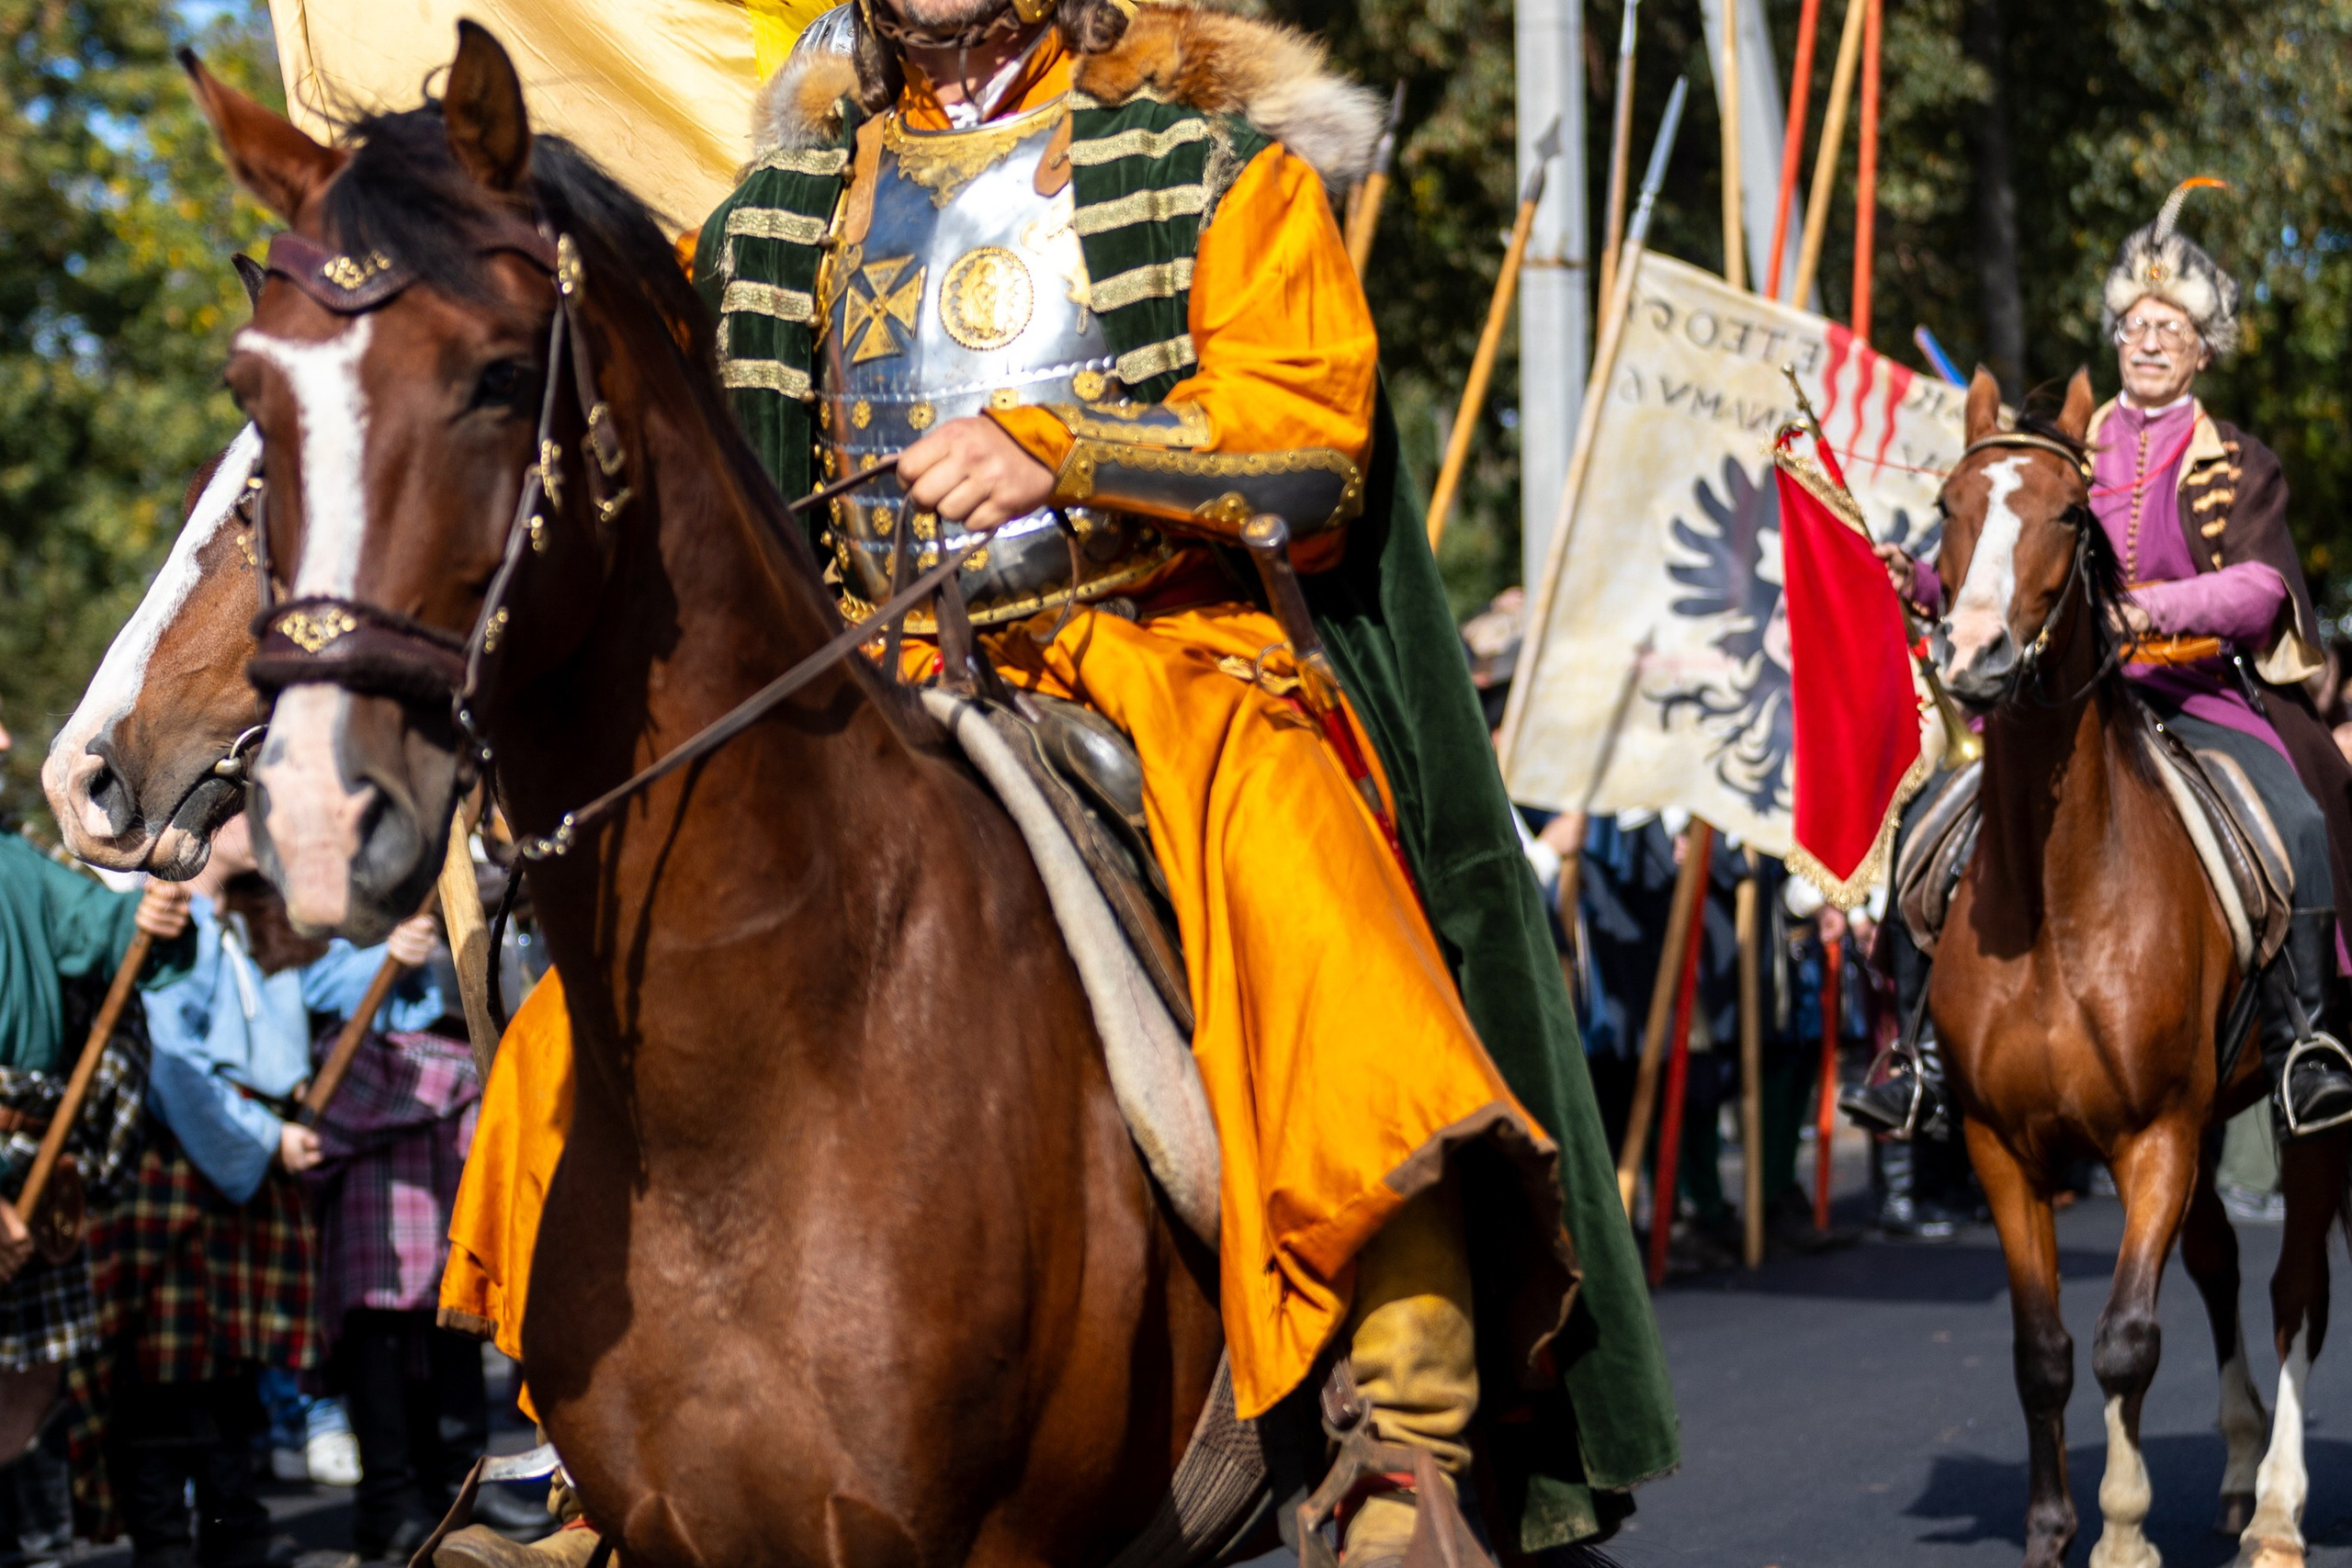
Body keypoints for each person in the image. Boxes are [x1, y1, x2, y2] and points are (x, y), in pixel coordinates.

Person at [435, 4, 1678, 1564]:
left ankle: (1400, 1423)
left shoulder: (1206, 173)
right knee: (610, 1002)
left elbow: (1311, 462)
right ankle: (591, 1457)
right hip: (862, 676)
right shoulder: (770, 224)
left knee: (1319, 903)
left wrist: (1062, 448)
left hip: (1150, 649)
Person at [1857, 179, 2352, 1138]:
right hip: (2069, 703)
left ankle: (2303, 1043)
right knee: (1921, 822)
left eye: (2172, 325)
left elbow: (2259, 592)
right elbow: (2000, 564)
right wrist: (1920, 582)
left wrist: (2150, 609)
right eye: (2136, 323)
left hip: (2195, 695)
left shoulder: (2238, 460)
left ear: (2201, 349)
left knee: (2295, 817)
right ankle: (1912, 1055)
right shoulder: (2057, 460)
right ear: (2118, 341)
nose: (2151, 338)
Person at [94, 813, 436, 1568]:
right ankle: (166, 1548)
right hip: (183, 1160)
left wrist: (398, 950)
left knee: (231, 1368)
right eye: (240, 807)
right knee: (162, 1371)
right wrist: (262, 1139)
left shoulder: (260, 918)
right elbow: (171, 1061)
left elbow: (340, 981)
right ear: (197, 825)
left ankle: (235, 1532)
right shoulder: (160, 920)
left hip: (249, 1161)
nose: (262, 815)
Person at [0, 707, 194, 1550]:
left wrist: (145, 924)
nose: (5, 743)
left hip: (32, 1169)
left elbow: (105, 933)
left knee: (24, 1415)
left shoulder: (22, 869)